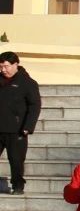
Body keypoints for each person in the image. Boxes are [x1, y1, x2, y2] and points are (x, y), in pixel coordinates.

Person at [0, 51, 41, 196]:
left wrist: (28, 127)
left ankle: (17, 185)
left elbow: (35, 105)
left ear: (15, 64)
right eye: (1, 67)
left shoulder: (27, 83)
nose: (3, 70)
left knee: (16, 160)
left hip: (17, 129)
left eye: (6, 66)